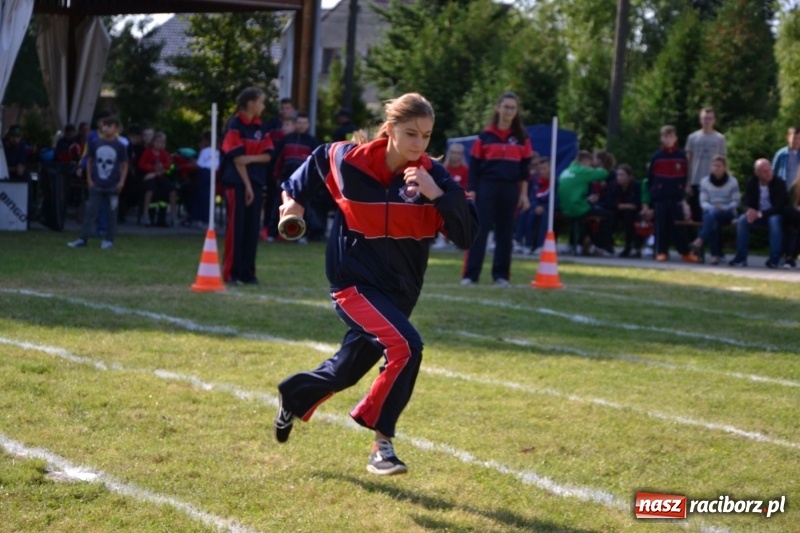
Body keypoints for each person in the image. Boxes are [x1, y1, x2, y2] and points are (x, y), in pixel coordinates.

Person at [273, 92, 478, 475]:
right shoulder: (347, 160)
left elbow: (466, 235)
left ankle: (293, 395)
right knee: (406, 347)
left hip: (401, 291)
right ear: (390, 129)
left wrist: (437, 195)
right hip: (352, 284)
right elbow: (303, 176)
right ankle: (382, 446)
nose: (419, 144)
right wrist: (293, 208)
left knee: (345, 371)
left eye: (426, 136)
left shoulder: (433, 176)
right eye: (411, 133)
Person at [462, 92, 533, 286]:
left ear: (516, 111)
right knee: (480, 229)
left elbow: (525, 171)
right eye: (506, 107)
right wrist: (472, 191)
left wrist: (524, 195)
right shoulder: (484, 136)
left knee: (505, 232)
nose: (509, 111)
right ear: (498, 108)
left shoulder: (522, 138)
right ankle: (470, 275)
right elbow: (474, 167)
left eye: (513, 108)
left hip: (510, 188)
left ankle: (501, 276)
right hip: (487, 186)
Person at [220, 86, 274, 285]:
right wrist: (247, 185)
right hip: (237, 184)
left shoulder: (260, 127)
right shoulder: (234, 125)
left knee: (252, 230)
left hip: (255, 184)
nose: (263, 106)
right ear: (250, 103)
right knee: (236, 228)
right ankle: (231, 273)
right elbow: (236, 159)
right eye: (261, 102)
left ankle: (247, 273)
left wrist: (250, 158)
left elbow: (267, 155)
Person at [67, 116, 128, 249]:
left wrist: (121, 182)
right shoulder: (96, 142)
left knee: (112, 213)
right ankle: (82, 238)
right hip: (97, 184)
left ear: (116, 129)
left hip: (113, 185)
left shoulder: (120, 146)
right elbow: (90, 161)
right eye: (104, 125)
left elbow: (124, 165)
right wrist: (89, 179)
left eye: (109, 126)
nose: (105, 128)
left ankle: (109, 239)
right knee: (90, 212)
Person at [648, 125, 699, 263]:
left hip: (677, 196)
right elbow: (651, 178)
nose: (668, 139)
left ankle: (685, 253)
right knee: (661, 225)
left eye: (671, 136)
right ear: (661, 138)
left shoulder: (681, 156)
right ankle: (661, 252)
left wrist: (683, 191)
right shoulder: (657, 157)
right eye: (665, 136)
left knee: (679, 225)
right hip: (660, 196)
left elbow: (686, 175)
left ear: (675, 138)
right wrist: (654, 192)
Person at [730, 159, 787, 268]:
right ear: (757, 173)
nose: (768, 173)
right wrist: (748, 211)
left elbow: (779, 207)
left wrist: (760, 214)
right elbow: (746, 202)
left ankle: (774, 259)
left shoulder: (779, 183)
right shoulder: (752, 183)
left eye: (769, 170)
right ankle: (741, 258)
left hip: (773, 215)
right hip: (757, 216)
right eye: (764, 171)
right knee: (742, 220)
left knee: (774, 221)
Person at [557, 151, 611, 255]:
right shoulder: (582, 171)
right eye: (590, 163)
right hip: (578, 208)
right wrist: (598, 165)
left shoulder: (566, 171)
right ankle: (600, 246)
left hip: (564, 209)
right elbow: (604, 173)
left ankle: (573, 244)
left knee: (583, 216)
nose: (591, 166)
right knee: (609, 215)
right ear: (585, 161)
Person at [690, 155, 741, 265]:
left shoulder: (732, 181)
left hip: (728, 212)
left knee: (711, 216)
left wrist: (725, 207)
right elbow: (703, 202)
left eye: (719, 166)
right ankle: (715, 256)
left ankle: (700, 240)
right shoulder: (705, 181)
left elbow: (736, 201)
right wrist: (714, 208)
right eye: (714, 165)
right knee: (714, 221)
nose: (716, 168)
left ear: (725, 167)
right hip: (710, 210)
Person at [685, 107, 727, 221]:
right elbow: (688, 161)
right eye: (704, 118)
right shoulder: (692, 138)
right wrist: (687, 183)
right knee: (696, 216)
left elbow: (723, 162)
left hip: (714, 182)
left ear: (714, 120)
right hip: (696, 181)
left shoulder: (720, 138)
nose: (707, 121)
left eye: (709, 118)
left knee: (712, 215)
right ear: (700, 120)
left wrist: (724, 183)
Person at [602, 164, 642, 257]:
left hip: (633, 213)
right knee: (609, 217)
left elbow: (636, 204)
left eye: (622, 175)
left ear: (630, 176)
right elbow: (609, 203)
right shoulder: (613, 185)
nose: (619, 177)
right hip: (617, 211)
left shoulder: (636, 186)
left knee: (630, 217)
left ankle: (632, 247)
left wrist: (621, 206)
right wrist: (623, 205)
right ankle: (607, 245)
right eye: (618, 175)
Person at [139, 132, 177, 226]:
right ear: (153, 142)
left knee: (172, 189)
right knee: (150, 189)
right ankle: (145, 214)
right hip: (150, 176)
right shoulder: (148, 152)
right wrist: (153, 168)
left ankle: (173, 214)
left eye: (161, 142)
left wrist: (162, 167)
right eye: (157, 141)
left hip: (160, 176)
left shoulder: (164, 153)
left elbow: (167, 165)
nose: (159, 144)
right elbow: (141, 164)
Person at [771, 126, 800, 192]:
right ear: (788, 138)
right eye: (794, 138)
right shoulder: (781, 154)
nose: (797, 141)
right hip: (783, 190)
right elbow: (773, 173)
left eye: (799, 138)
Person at [783, 181, 800, 268]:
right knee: (788, 212)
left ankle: (790, 257)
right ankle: (790, 257)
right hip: (795, 216)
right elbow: (788, 203)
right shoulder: (795, 187)